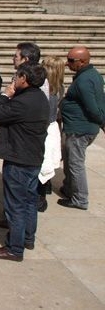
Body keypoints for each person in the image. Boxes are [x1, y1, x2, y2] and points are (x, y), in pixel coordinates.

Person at [0, 63, 50, 261]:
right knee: (29, 200)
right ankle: (27, 237)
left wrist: (5, 95)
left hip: (20, 158)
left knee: (16, 204)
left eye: (17, 76)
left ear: (25, 79)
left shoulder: (23, 101)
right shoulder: (38, 97)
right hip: (32, 157)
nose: (14, 79)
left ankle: (15, 247)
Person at [59, 46, 105, 210]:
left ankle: (80, 199)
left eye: (71, 60)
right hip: (80, 127)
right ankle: (70, 188)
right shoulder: (92, 75)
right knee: (71, 160)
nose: (68, 63)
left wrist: (101, 121)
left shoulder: (85, 80)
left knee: (75, 164)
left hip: (79, 129)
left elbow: (93, 107)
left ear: (83, 61)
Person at [37, 56, 65, 212]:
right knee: (44, 163)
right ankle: (42, 193)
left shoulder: (46, 88)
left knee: (41, 163)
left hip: (45, 129)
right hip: (51, 128)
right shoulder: (59, 87)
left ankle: (39, 198)